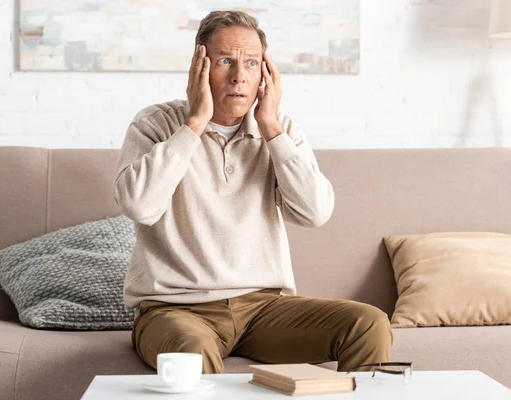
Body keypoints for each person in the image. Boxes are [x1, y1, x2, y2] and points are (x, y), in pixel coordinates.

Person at [113, 10, 393, 374]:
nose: (239, 76)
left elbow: (315, 212)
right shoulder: (155, 125)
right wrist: (194, 123)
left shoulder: (280, 129)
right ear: (199, 66)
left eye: (251, 63)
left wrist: (272, 130)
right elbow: (139, 205)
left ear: (265, 71)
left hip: (264, 308)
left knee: (367, 323)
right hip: (175, 309)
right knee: (190, 351)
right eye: (225, 61)